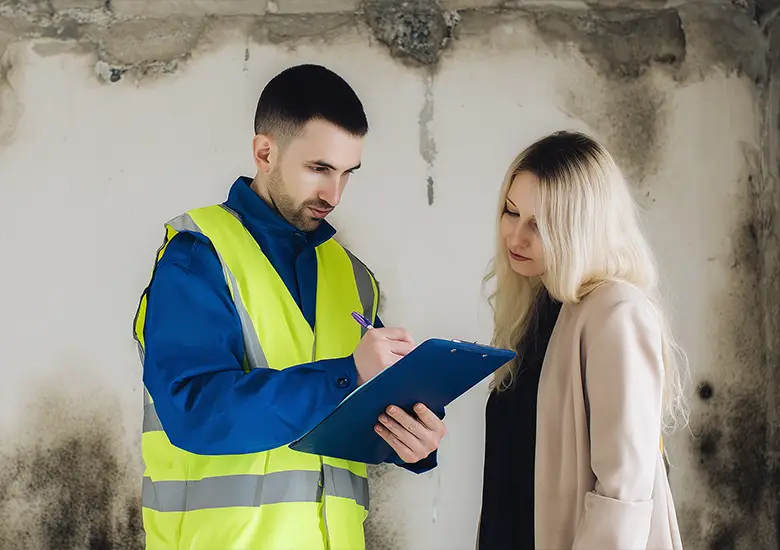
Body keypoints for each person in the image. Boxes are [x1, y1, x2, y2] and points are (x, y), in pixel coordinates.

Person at [132, 64, 446, 550]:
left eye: (347, 174)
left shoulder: (354, 276)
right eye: (319, 169)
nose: (334, 195)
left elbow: (361, 409)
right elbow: (195, 411)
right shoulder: (200, 254)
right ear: (265, 152)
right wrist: (345, 374)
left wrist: (412, 441)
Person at [476, 130, 689, 549]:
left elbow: (623, 493)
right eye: (511, 211)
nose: (515, 236)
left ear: (580, 227)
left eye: (539, 224)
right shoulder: (541, 306)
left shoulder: (615, 313)